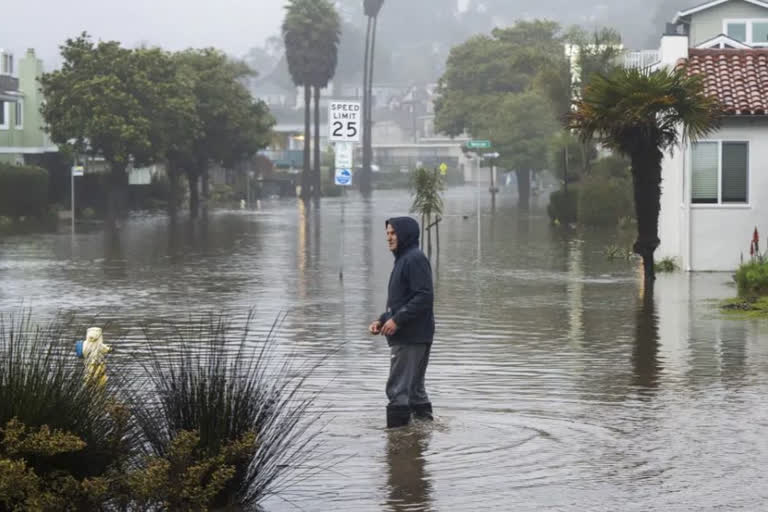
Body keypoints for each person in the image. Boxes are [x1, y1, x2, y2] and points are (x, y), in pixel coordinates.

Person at [369, 217, 435, 428]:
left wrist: (397, 321)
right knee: (415, 391)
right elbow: (403, 300)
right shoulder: (405, 260)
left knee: (398, 390)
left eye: (393, 233)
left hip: (409, 336)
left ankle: (398, 447)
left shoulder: (413, 259)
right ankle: (421, 437)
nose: (389, 238)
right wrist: (382, 320)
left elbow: (424, 296)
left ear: (405, 235)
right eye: (387, 233)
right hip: (416, 334)